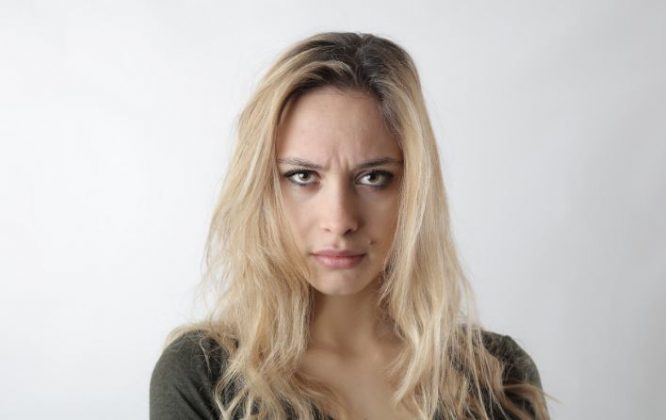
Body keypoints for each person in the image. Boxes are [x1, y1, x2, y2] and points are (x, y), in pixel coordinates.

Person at [149, 31, 550, 420]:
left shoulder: (498, 377)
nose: (339, 221)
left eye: (373, 177)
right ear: (262, 189)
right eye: (303, 176)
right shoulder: (206, 376)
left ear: (415, 191)